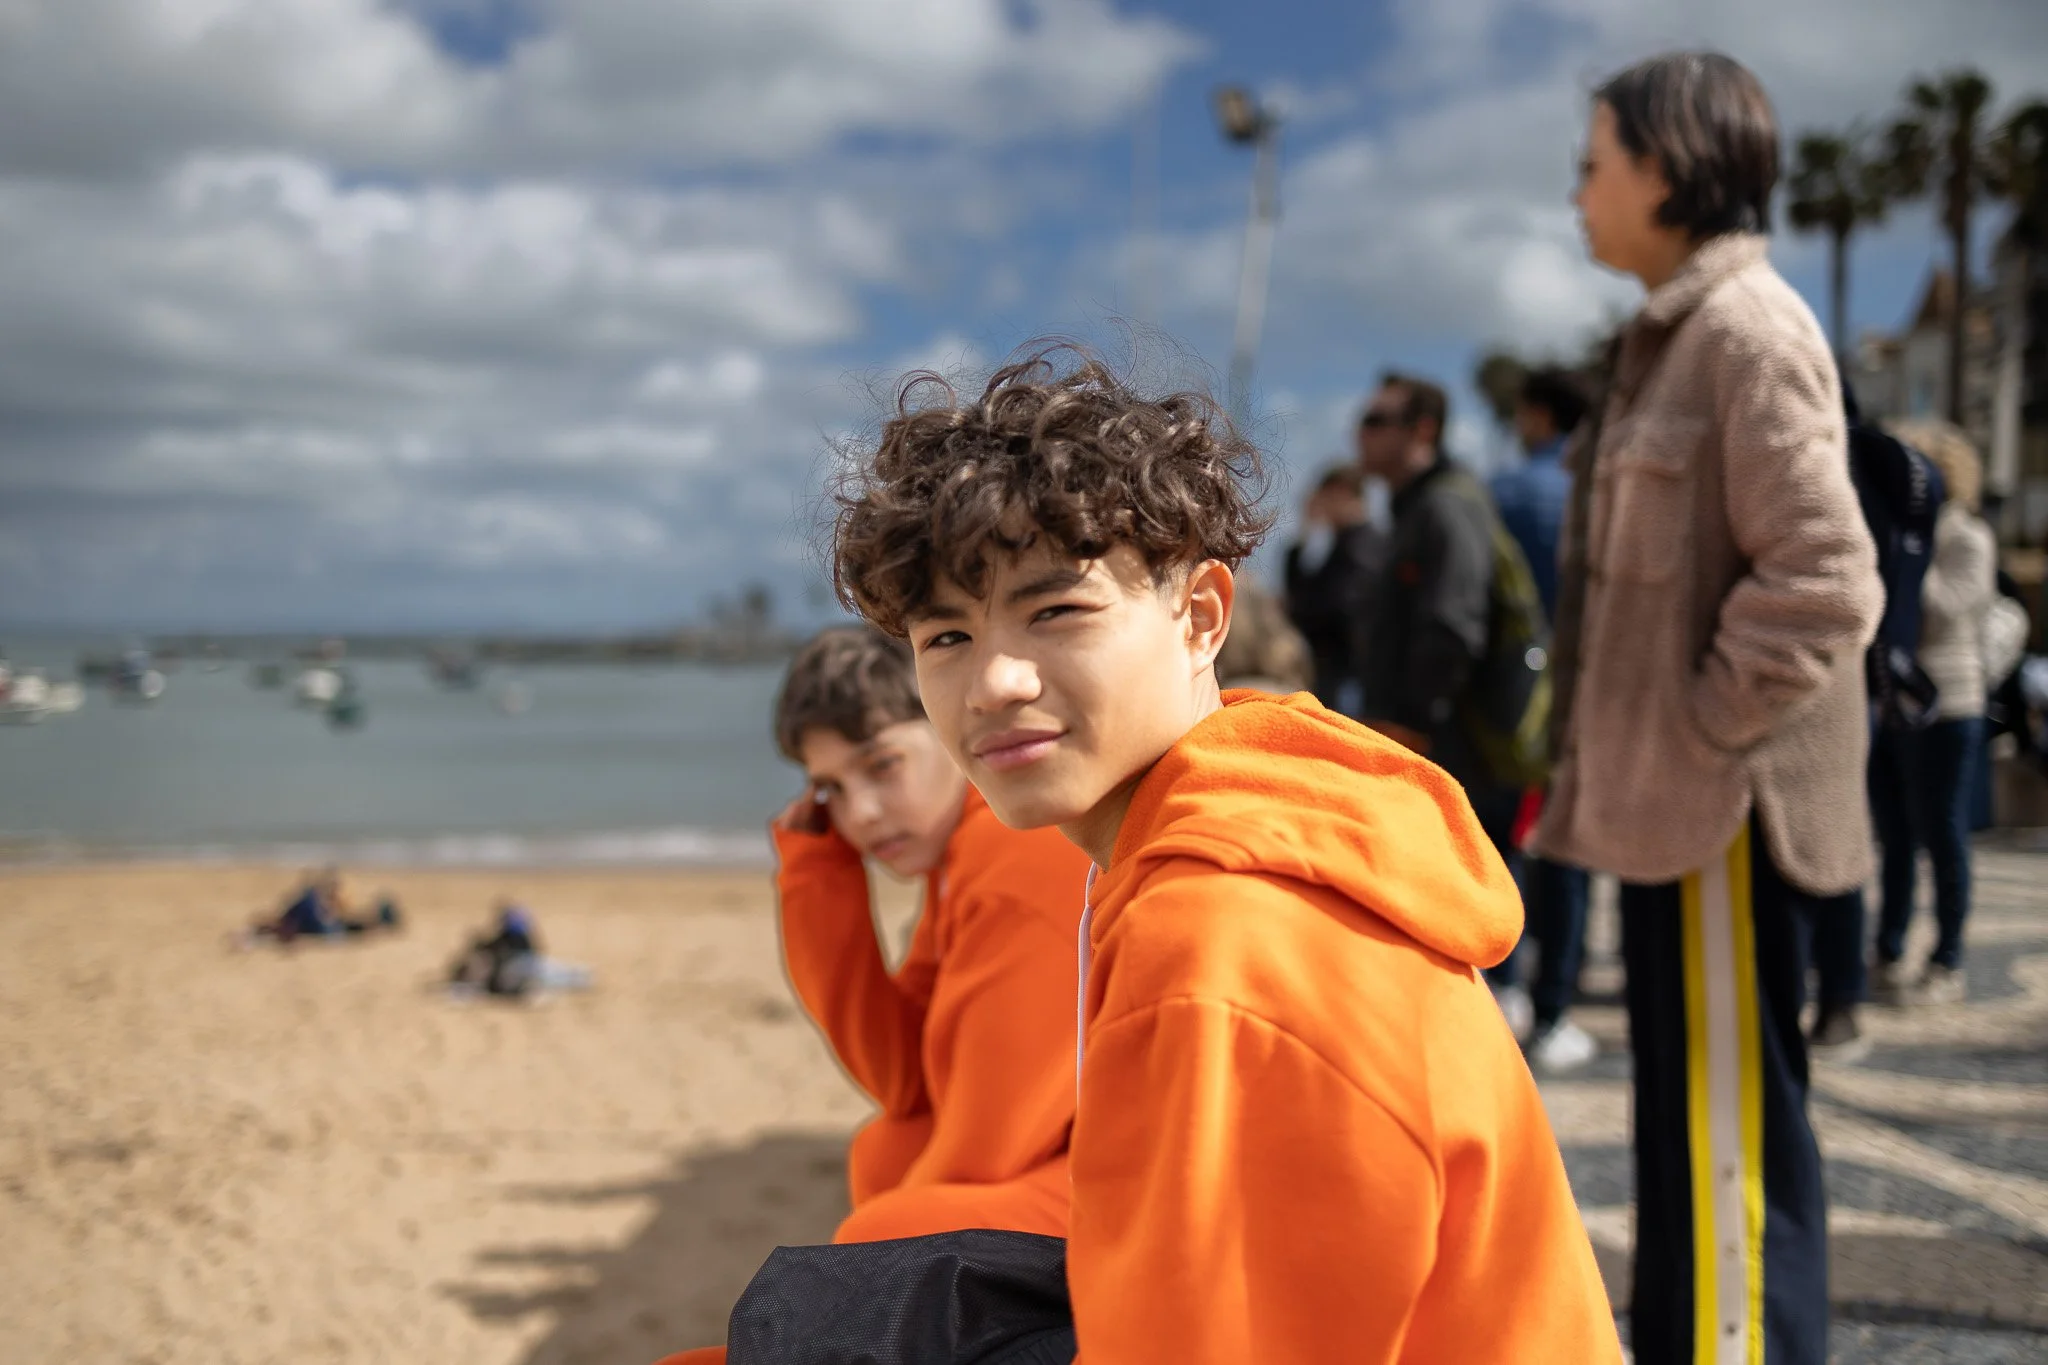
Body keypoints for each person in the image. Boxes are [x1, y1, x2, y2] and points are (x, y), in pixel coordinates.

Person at [800, 347, 1619, 1362]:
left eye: (1055, 611)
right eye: (945, 638)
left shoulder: (1217, 940)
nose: (994, 682)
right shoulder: (1240, 816)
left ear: (1199, 616)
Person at [1535, 53, 1883, 1365]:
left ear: (1665, 171)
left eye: (1593, 162)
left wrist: (1699, 729)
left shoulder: (1747, 331)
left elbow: (1823, 583)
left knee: (1729, 1134)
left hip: (1722, 819)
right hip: (1682, 813)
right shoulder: (1677, 335)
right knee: (1689, 1125)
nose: (1576, 193)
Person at [770, 626, 1091, 1242]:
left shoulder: (1013, 855)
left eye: (882, 766)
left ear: (953, 726)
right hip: (1082, 1156)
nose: (859, 813)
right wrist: (817, 870)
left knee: (883, 1230)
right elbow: (901, 1082)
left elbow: (991, 1142)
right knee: (887, 1152)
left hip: (1172, 1181)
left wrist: (876, 1250)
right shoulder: (958, 859)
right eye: (830, 789)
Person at [1355, 372, 1536, 1039]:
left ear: (1421, 429)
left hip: (1452, 743)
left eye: (1378, 419)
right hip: (1437, 738)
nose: (1360, 432)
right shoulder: (1416, 507)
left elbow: (1454, 626)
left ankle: (1491, 1029)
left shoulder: (1445, 507)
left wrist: (1415, 719)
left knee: (1473, 889)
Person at [1488, 367, 1598, 1072]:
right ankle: (1556, 1004)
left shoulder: (1501, 491)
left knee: (1502, 837)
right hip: (1587, 692)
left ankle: (1503, 984)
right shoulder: (1594, 493)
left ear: (1533, 414)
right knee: (1569, 853)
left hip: (1510, 695)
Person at [1869, 419, 1997, 1006]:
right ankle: (1889, 948)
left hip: (1949, 703)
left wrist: (1906, 558)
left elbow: (1944, 607)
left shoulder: (1966, 537)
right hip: (1895, 705)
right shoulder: (1898, 534)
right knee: (1893, 837)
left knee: (1943, 833)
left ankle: (1947, 957)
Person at [1282, 464, 1382, 712]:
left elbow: (1335, 606)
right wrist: (1304, 533)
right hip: (1342, 672)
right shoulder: (1346, 545)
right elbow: (1302, 593)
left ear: (1345, 494)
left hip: (1350, 672)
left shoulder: (1362, 546)